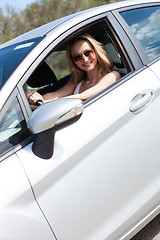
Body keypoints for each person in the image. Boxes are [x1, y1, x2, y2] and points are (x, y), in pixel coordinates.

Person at [27, 33, 120, 107]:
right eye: (77, 57)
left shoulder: (113, 76)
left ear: (96, 52)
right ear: (74, 61)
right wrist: (39, 99)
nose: (85, 59)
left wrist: (45, 103)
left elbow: (82, 97)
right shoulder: (76, 82)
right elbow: (54, 95)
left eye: (87, 53)